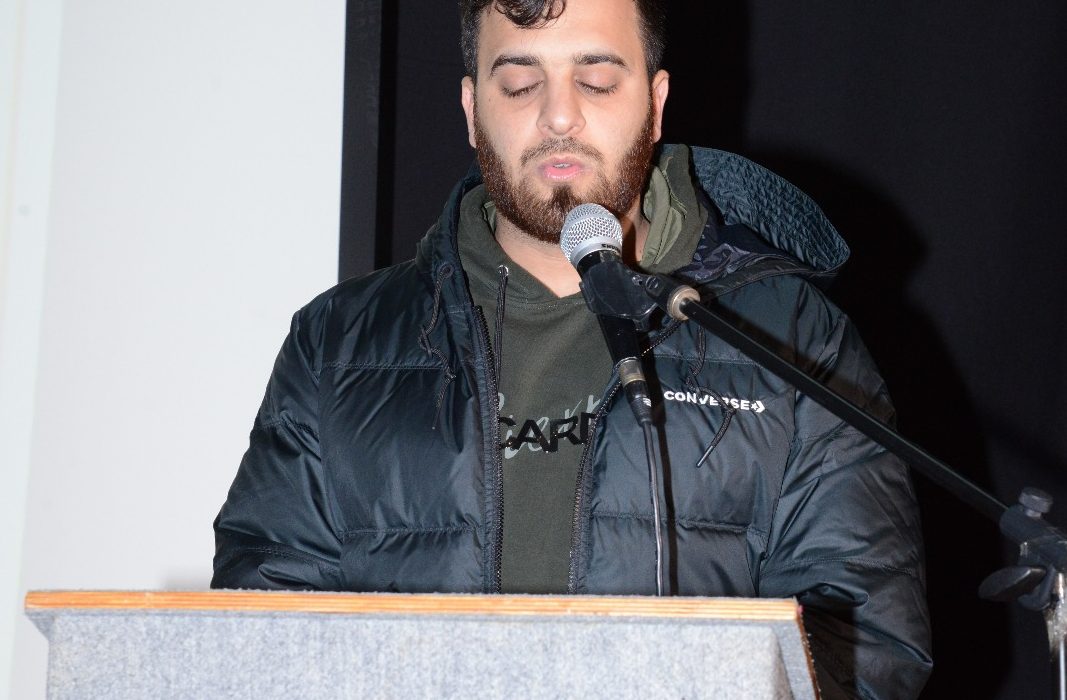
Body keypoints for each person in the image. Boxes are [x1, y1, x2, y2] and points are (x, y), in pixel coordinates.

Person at [212, 0, 932, 696]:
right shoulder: (336, 343)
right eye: (520, 84)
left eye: (596, 80)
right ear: (471, 109)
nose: (559, 115)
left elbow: (864, 649)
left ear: (655, 103)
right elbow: (263, 636)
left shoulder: (794, 338)